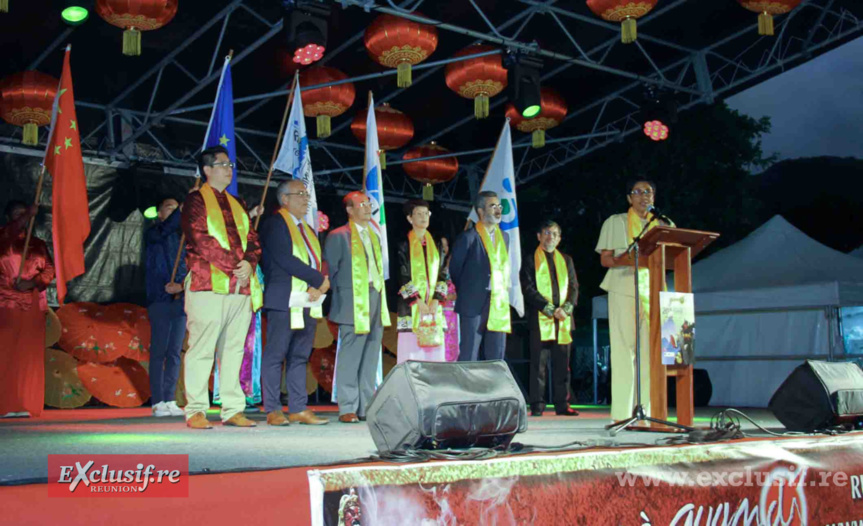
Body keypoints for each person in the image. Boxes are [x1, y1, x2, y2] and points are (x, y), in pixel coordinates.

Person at [181, 145, 262, 429]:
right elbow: (201, 239)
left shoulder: (237, 202)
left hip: (239, 286)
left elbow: (252, 238)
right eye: (223, 164)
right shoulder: (195, 201)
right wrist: (235, 265)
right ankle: (196, 410)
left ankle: (232, 408)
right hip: (207, 283)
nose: (229, 169)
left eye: (230, 165)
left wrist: (249, 263)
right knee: (202, 347)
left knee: (234, 349)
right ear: (207, 169)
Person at [596, 179, 672, 422]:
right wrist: (625, 259)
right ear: (629, 198)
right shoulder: (615, 221)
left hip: (654, 292)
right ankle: (621, 415)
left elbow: (673, 256)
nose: (643, 196)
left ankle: (647, 412)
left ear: (654, 196)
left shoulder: (664, 224)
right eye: (637, 192)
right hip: (623, 288)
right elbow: (605, 260)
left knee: (650, 354)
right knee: (624, 352)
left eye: (648, 191)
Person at [259, 179, 329, 426]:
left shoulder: (308, 229)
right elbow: (285, 259)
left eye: (306, 193)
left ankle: (298, 407)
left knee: (300, 355)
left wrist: (319, 282)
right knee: (276, 354)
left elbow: (317, 259)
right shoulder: (275, 223)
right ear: (284, 199)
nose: (305, 198)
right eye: (299, 194)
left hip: (307, 299)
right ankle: (273, 409)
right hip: (284, 298)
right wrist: (319, 279)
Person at [324, 191, 390, 424]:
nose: (366, 207)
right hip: (353, 300)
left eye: (368, 203)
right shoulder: (339, 236)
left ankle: (366, 405)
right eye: (360, 204)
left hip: (375, 297)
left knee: (371, 354)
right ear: (349, 210)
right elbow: (330, 269)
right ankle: (348, 406)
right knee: (351, 356)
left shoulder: (374, 234)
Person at [0, 201, 55, 418]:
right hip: (6, 303)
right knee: (5, 352)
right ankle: (5, 401)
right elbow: (11, 232)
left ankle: (23, 402)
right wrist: (25, 216)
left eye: (26, 214)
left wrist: (33, 283)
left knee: (28, 356)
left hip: (32, 304)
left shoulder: (38, 244)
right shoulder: (3, 238)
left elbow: (50, 270)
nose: (22, 218)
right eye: (17, 214)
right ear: (8, 218)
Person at [522, 220, 579, 417]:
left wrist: (566, 309)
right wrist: (550, 309)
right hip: (540, 319)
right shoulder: (530, 259)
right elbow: (528, 289)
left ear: (559, 238)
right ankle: (537, 405)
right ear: (539, 236)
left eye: (554, 234)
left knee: (563, 365)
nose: (550, 237)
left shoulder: (567, 260)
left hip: (563, 319)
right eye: (546, 233)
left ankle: (562, 405)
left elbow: (574, 288)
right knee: (538, 365)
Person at [449, 191, 510, 362]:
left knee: (496, 353)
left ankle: (492, 387)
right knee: (469, 351)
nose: (498, 210)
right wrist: (470, 290)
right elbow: (455, 269)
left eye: (499, 206)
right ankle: (466, 388)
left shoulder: (504, 237)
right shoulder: (468, 237)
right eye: (493, 206)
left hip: (497, 301)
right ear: (481, 211)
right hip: (472, 303)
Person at [144, 197, 187, 418]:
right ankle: (158, 400)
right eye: (169, 209)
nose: (174, 213)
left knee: (174, 352)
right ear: (159, 214)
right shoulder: (153, 234)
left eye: (176, 208)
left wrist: (180, 286)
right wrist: (179, 211)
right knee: (159, 352)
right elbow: (166, 228)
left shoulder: (184, 239)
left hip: (179, 300)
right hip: (159, 300)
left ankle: (170, 398)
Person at [395, 200, 448, 363]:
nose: (424, 217)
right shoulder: (403, 244)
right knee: (410, 355)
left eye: (426, 213)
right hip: (411, 308)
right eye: (419, 214)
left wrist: (436, 299)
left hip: (433, 308)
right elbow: (402, 276)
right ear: (410, 218)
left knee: (435, 355)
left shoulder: (437, 244)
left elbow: (442, 273)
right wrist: (417, 301)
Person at [439, 237, 460, 362]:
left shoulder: (454, 264)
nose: (444, 249)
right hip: (437, 311)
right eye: (441, 245)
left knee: (453, 344)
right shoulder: (432, 264)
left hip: (453, 312)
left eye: (446, 245)